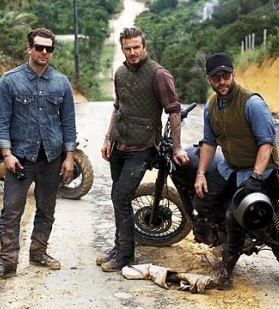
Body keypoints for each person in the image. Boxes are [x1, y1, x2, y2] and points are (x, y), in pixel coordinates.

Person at [0, 28, 76, 282]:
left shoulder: (61, 82)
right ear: (29, 49)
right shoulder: (10, 81)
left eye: (49, 49)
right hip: (20, 159)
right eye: (39, 47)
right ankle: (7, 263)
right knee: (11, 212)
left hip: (51, 158)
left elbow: (68, 123)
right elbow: (0, 121)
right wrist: (7, 154)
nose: (44, 52)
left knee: (47, 209)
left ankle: (38, 252)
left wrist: (69, 157)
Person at [97, 27, 189, 272]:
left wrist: (177, 147)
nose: (132, 52)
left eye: (136, 47)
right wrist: (108, 139)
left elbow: (173, 111)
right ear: (123, 49)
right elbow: (117, 108)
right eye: (128, 48)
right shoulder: (119, 72)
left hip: (143, 147)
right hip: (119, 144)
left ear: (144, 46)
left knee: (121, 196)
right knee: (119, 197)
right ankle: (120, 246)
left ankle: (125, 255)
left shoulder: (158, 74)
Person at [194, 52, 279, 289]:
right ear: (209, 80)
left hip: (259, 169)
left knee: (235, 216)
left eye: (226, 76)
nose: (222, 82)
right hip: (230, 167)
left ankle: (224, 274)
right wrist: (201, 174)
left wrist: (256, 177)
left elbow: (266, 142)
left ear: (233, 74)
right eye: (216, 78)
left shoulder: (251, 102)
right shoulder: (211, 106)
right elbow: (209, 143)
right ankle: (235, 241)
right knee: (202, 201)